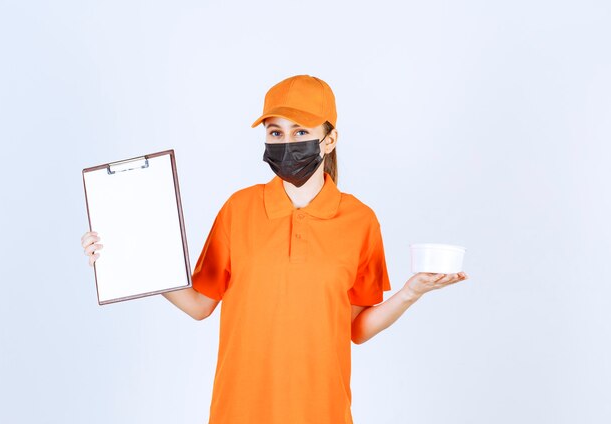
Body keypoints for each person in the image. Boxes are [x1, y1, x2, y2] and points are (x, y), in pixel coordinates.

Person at [80, 74, 468, 423]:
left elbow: (355, 328)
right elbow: (199, 305)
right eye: (275, 132)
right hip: (239, 411)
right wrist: (128, 254)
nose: (286, 143)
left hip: (322, 411)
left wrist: (411, 293)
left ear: (329, 139)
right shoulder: (239, 209)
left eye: (300, 132)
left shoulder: (359, 220)